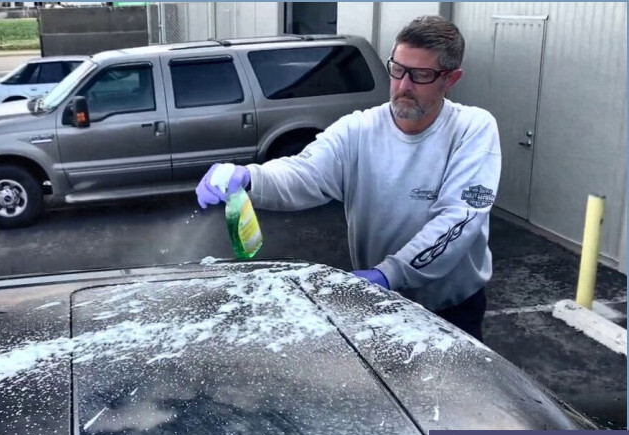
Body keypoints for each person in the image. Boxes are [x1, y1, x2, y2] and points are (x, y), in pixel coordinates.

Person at [195, 15, 501, 342]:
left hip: (451, 312)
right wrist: (250, 178)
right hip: (380, 305)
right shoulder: (358, 129)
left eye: (421, 75)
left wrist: (390, 274)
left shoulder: (472, 129)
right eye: (397, 69)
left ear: (450, 79)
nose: (403, 86)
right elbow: (304, 173)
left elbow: (459, 220)